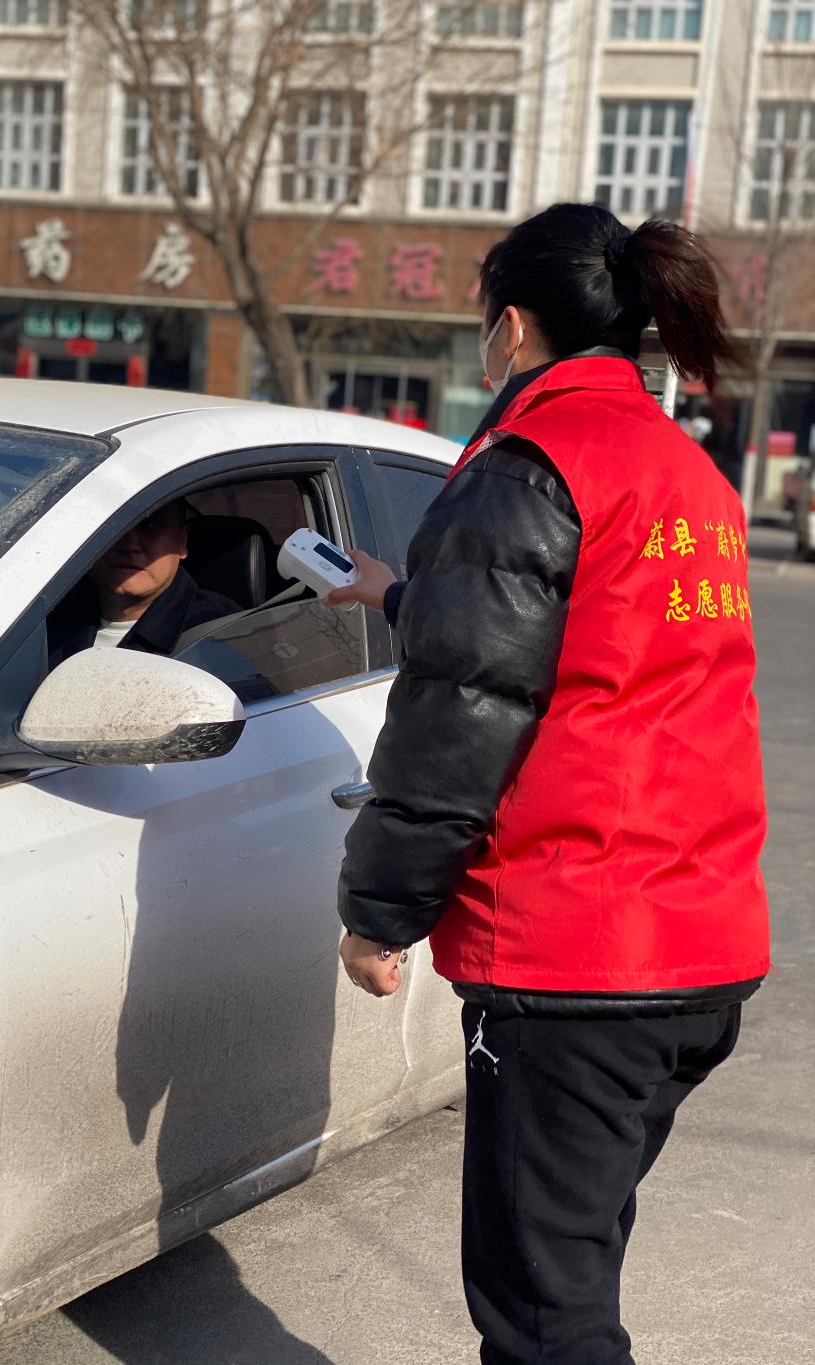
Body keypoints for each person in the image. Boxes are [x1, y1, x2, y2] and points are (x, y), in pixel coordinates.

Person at [327, 202, 770, 1365]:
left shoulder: (531, 463)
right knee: (570, 1271)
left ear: (512, 325)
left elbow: (458, 722)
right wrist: (396, 593)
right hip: (694, 948)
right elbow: (581, 638)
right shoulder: (685, 473)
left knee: (543, 1321)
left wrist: (380, 912)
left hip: (575, 962)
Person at [47, 499, 239, 667]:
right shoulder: (45, 616)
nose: (129, 545)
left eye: (150, 525)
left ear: (182, 540)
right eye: (114, 526)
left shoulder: (217, 633)